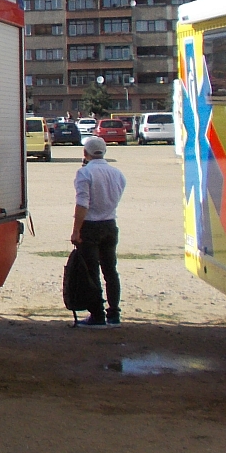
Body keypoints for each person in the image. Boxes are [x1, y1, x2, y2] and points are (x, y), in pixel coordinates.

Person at [71, 135, 127, 326]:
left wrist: (76, 230)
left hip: (91, 225)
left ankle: (97, 314)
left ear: (85, 153)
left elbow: (82, 204)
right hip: (110, 223)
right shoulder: (117, 174)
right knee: (110, 270)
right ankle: (114, 312)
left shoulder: (85, 173)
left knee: (92, 271)